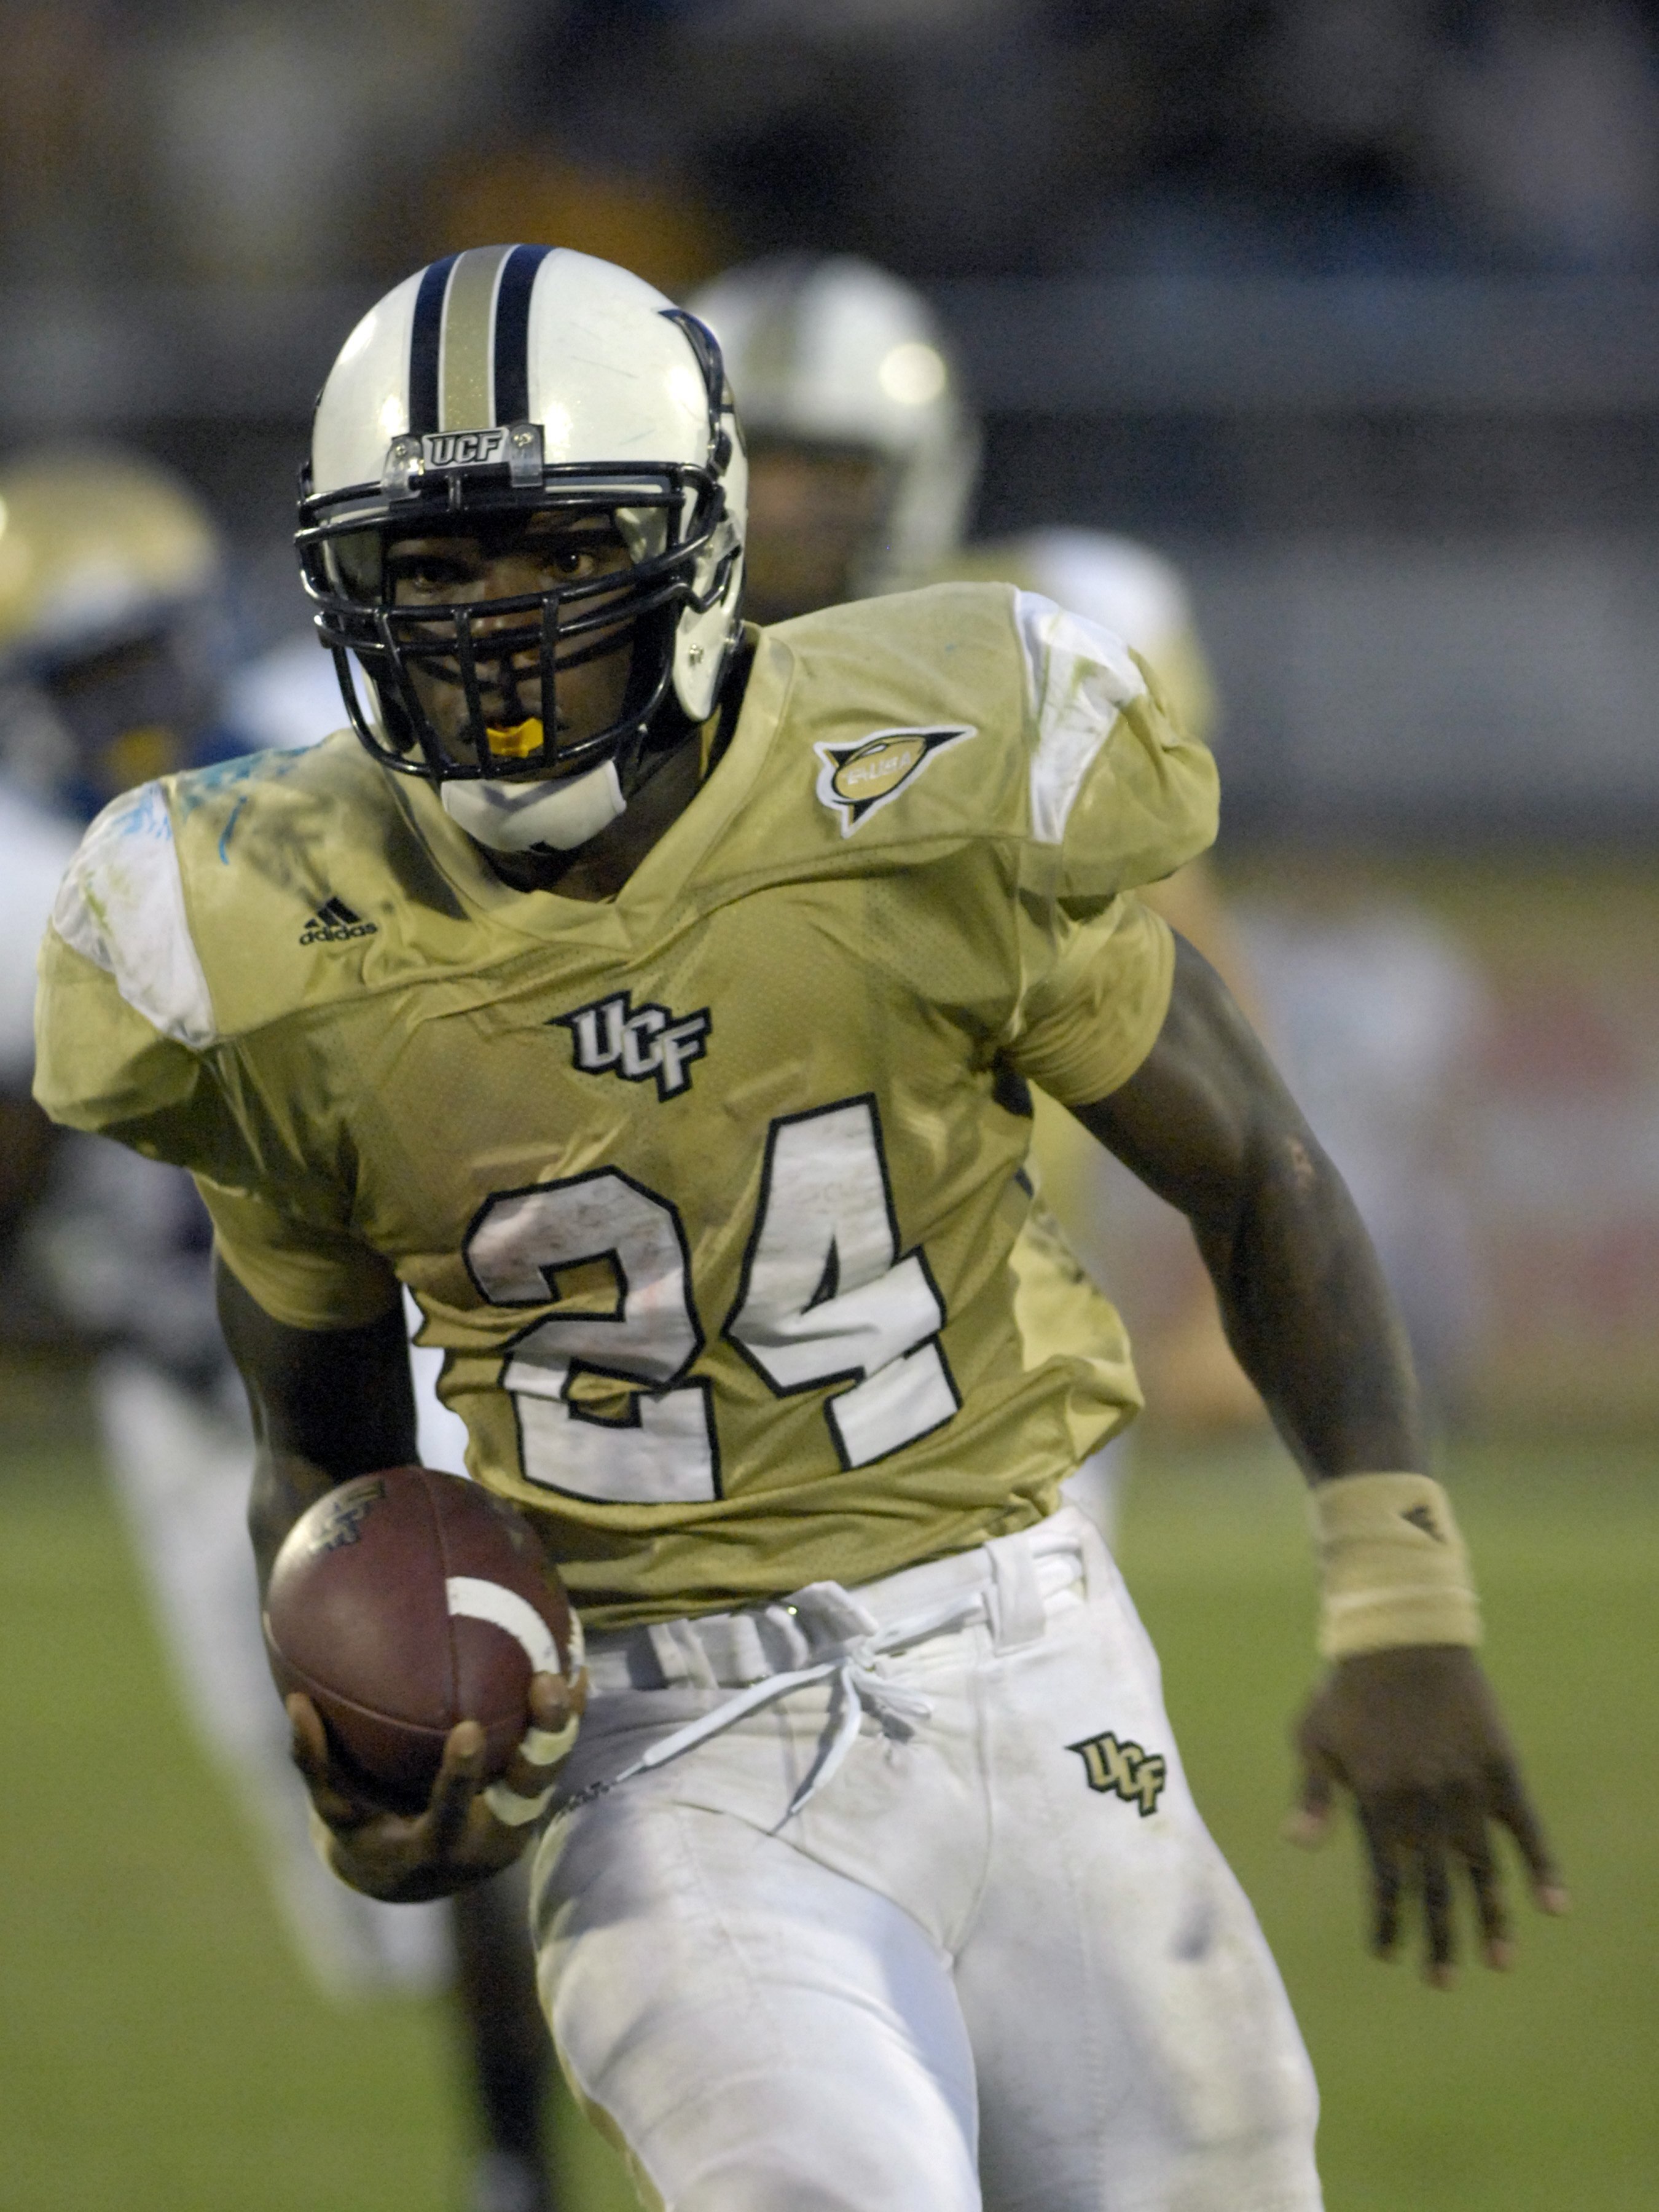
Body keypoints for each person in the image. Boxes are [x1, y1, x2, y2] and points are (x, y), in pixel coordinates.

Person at [34, 245, 1564, 2212]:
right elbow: (317, 1441)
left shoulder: (921, 781)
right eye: (425, 571)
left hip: (1034, 1656)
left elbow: (1255, 1166)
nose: (486, 626)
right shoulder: (261, 933)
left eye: (548, 548)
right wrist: (359, 1709)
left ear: (694, 542)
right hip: (663, 1746)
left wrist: (1398, 1595)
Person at [0, 443, 555, 2212]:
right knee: (340, 1803)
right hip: (187, 1390)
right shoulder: (22, 867)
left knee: (462, 1738)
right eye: (88, 681)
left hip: (405, 1333)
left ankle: (518, 2162)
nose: (138, 711)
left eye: (146, 657)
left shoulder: (334, 760)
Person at [689, 252, 1265, 1525]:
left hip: (991, 1323)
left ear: (915, 470)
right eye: (754, 463)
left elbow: (1193, 986)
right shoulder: (615, 675)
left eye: (824, 470)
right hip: (672, 1341)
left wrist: (1225, 1294)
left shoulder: (1033, 651)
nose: (779, 508)